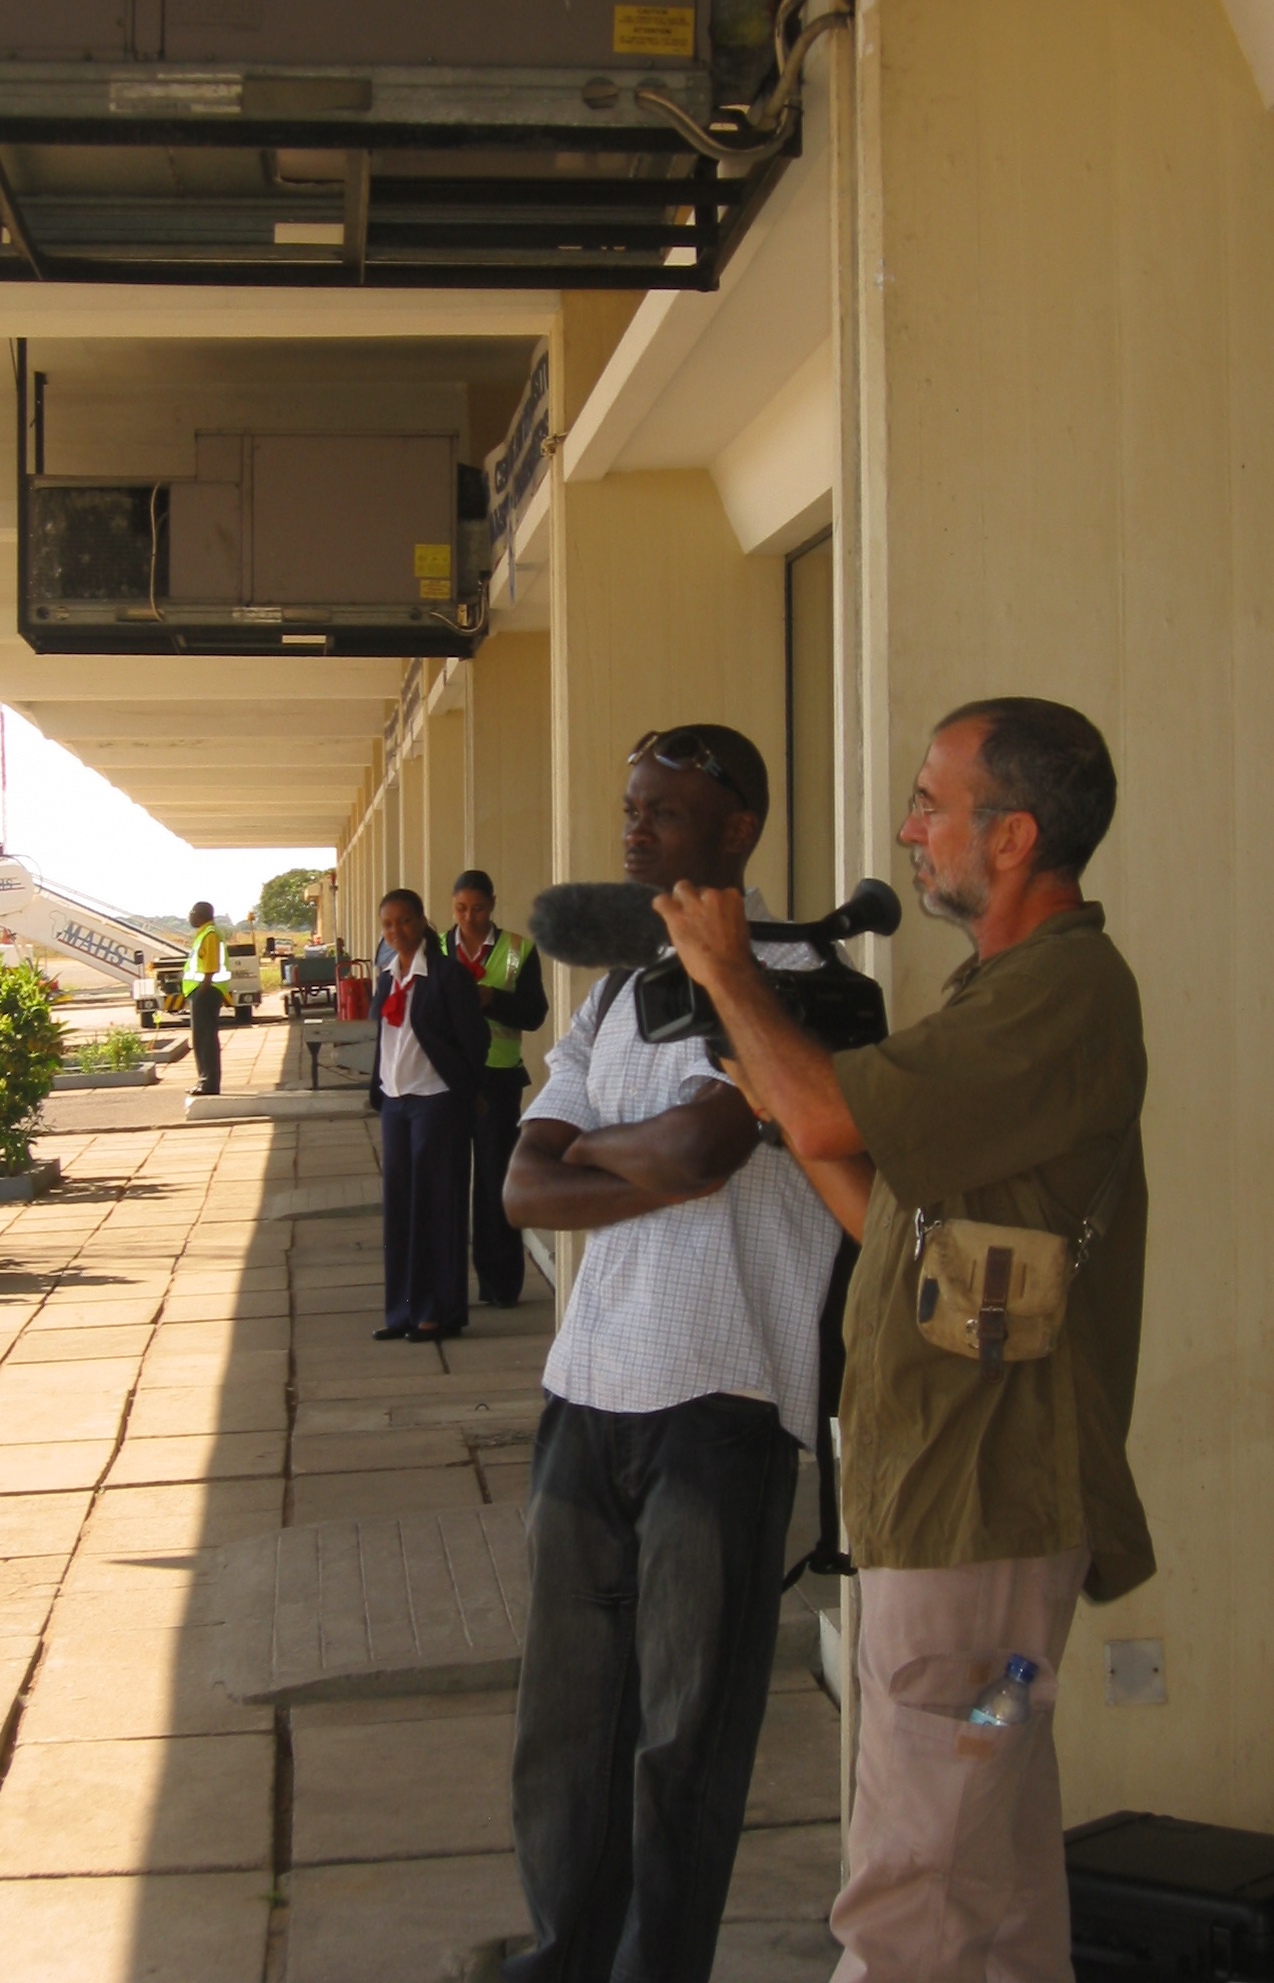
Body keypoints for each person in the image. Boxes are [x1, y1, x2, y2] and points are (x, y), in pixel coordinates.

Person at [652, 697, 1154, 1983]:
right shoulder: (1010, 990)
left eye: (934, 801)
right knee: (987, 1857)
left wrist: (730, 974)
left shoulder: (1061, 989)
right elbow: (894, 1220)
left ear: (1014, 836)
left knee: (913, 1883)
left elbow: (831, 1114)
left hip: (980, 1516)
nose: (908, 827)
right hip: (972, 1528)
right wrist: (777, 1100)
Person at [499, 725, 859, 1983]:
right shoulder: (613, 988)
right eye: (630, 801)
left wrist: (603, 1147)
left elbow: (703, 1158)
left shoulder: (799, 984)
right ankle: (565, 1953)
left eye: (665, 808)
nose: (634, 826)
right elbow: (522, 1192)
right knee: (567, 1720)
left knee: (682, 1736)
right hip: (587, 1388)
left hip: (729, 1395)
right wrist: (628, 1148)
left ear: (738, 829)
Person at [370, 888, 490, 1345]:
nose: (395, 931)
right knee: (400, 1209)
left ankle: (437, 1312)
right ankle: (402, 1310)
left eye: (403, 921)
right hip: (396, 1103)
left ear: (421, 921)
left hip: (436, 1101)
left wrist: (463, 1089)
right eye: (387, 924)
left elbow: (473, 1040)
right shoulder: (387, 977)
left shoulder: (446, 976)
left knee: (438, 1206)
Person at [445, 869, 549, 1308]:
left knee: (495, 1181)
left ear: (493, 904)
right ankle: (446, 1287)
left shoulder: (518, 951)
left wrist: (493, 1000)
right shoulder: (437, 948)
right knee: (447, 1183)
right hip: (446, 1081)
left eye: (479, 909)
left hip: (499, 1079)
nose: (470, 918)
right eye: (461, 909)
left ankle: (500, 1285)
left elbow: (534, 1014)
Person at [183, 900, 230, 1097]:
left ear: (201, 914)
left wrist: (202, 990)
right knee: (202, 1038)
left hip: (206, 991)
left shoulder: (209, 934)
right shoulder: (204, 933)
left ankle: (208, 1084)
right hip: (202, 991)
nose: (190, 916)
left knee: (205, 1039)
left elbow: (211, 966)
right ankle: (205, 1080)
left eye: (192, 912)